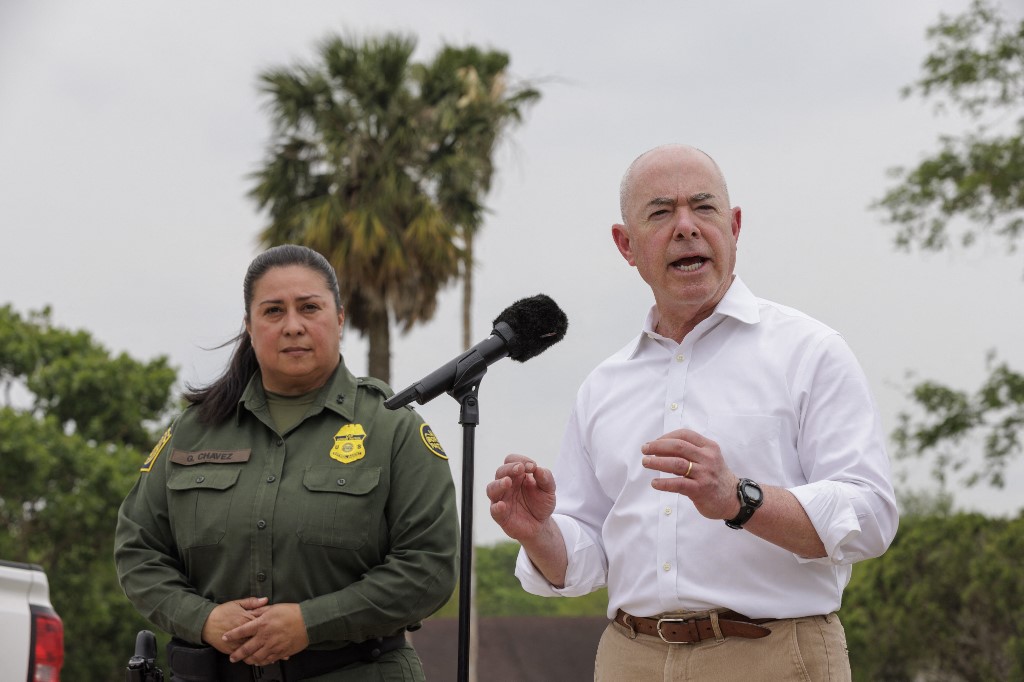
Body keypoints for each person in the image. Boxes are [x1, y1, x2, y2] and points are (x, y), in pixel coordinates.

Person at [486, 144, 899, 681]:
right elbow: (591, 555)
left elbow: (871, 517)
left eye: (703, 208)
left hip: (774, 654)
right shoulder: (603, 386)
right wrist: (537, 532)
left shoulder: (810, 352)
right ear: (626, 245)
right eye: (660, 213)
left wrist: (740, 499)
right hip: (630, 657)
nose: (686, 227)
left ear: (734, 227)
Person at [115, 244, 459, 682]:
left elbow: (429, 566)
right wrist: (202, 619)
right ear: (249, 326)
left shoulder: (392, 429)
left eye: (309, 308)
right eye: (273, 311)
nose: (292, 326)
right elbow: (138, 549)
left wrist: (310, 623)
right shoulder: (193, 430)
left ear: (339, 318)